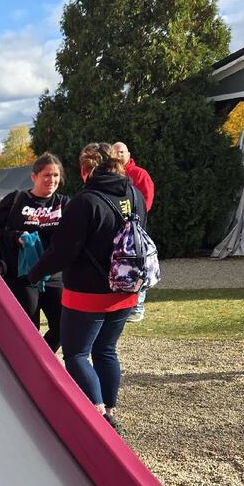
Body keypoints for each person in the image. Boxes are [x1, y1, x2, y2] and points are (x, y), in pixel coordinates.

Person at [26, 141, 147, 431]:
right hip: (126, 288)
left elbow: (63, 251)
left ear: (86, 170)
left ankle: (100, 416)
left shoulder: (85, 202)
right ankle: (111, 409)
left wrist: (34, 273)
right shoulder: (135, 194)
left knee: (77, 354)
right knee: (106, 349)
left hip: (87, 293)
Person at [0, 153, 67, 350]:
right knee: (28, 330)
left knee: (63, 327)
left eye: (56, 175)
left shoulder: (64, 203)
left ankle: (42, 360)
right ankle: (26, 363)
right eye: (46, 175)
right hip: (21, 276)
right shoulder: (16, 199)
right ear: (34, 177)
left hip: (53, 275)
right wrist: (16, 237)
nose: (52, 180)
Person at [110, 141, 154, 323]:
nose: (118, 155)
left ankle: (138, 306)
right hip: (117, 229)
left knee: (139, 265)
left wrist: (136, 220)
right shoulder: (111, 175)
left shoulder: (139, 174)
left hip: (134, 228)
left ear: (128, 154)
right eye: (115, 152)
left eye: (121, 152)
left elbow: (146, 199)